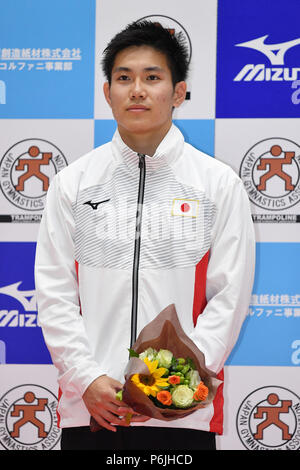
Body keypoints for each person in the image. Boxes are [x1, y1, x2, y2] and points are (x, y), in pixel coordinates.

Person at [34, 21, 255, 451]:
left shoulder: (217, 184)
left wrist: (180, 383)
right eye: (124, 78)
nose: (137, 90)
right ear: (107, 93)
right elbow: (55, 293)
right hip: (93, 412)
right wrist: (87, 379)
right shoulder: (73, 183)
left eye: (152, 77)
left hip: (183, 414)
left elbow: (229, 298)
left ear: (178, 93)